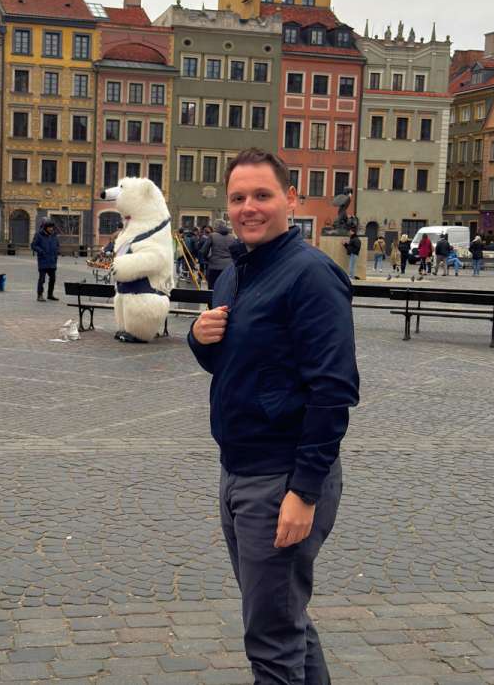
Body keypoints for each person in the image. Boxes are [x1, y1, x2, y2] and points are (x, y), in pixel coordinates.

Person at [189, 148, 358, 685]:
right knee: (285, 622)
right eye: (238, 197)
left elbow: (333, 391)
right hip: (239, 470)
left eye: (262, 195)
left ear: (290, 199)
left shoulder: (311, 275)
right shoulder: (236, 272)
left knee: (272, 642)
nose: (249, 207)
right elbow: (234, 363)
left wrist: (303, 493)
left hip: (281, 478)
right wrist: (199, 340)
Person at [31, 219, 61, 302]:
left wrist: (57, 251)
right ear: (45, 227)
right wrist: (41, 251)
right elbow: (33, 245)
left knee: (53, 279)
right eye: (49, 227)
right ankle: (39, 295)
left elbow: (57, 245)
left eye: (52, 227)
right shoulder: (39, 235)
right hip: (43, 260)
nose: (51, 229)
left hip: (52, 261)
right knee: (42, 279)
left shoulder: (54, 235)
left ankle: (50, 294)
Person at [203, 221, 236, 288]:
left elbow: (204, 251)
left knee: (212, 287)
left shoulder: (212, 236)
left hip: (214, 266)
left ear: (217, 227)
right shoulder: (232, 237)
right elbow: (235, 252)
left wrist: (207, 259)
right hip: (228, 266)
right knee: (226, 287)